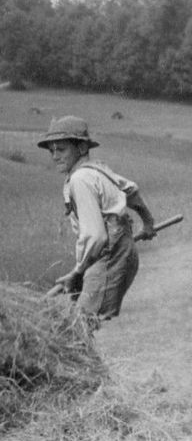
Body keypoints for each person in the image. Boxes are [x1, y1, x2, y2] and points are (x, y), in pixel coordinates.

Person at [38, 115, 156, 320]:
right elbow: (132, 191)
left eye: (61, 149)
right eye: (52, 150)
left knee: (77, 323)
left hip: (109, 257)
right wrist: (147, 222)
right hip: (120, 253)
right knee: (79, 321)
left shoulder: (80, 179)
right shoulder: (98, 170)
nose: (55, 155)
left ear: (82, 148)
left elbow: (96, 236)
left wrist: (77, 271)